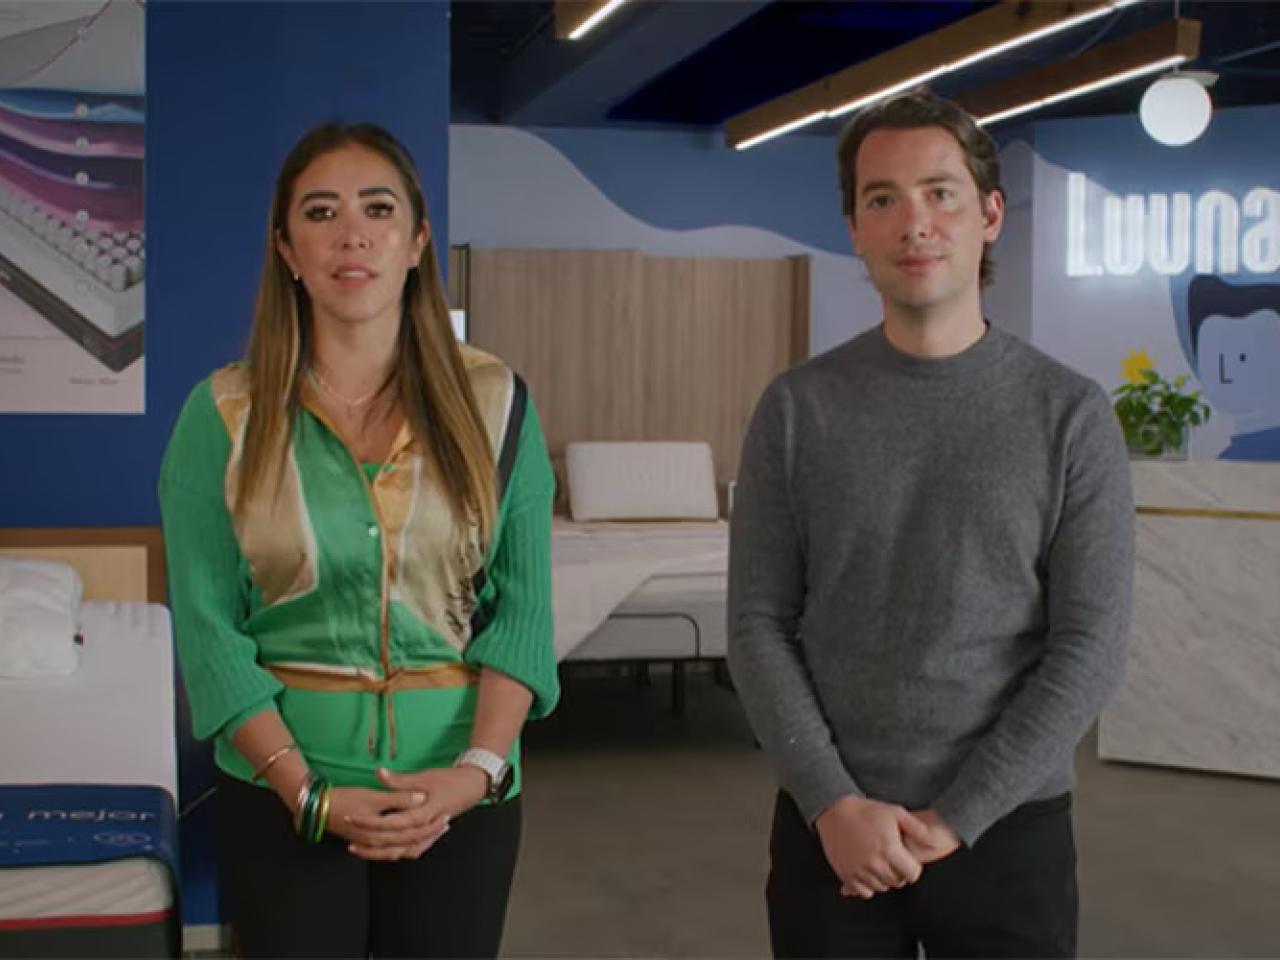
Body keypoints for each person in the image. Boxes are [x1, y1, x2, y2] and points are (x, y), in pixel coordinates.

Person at [727, 91, 1134, 959]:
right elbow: (759, 623)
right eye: (883, 199)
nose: (915, 221)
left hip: (1007, 832)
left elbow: (1090, 644)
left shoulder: (1070, 414)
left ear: (989, 215)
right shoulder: (796, 410)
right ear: (855, 229)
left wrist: (959, 816)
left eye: (940, 192)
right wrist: (832, 803)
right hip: (830, 833)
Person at [159, 122, 557, 958]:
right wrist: (306, 795)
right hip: (283, 795)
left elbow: (523, 616)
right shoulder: (221, 416)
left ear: (416, 241)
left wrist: (471, 774)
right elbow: (208, 632)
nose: (352, 233)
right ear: (285, 247)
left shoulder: (500, 404)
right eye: (320, 211)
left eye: (379, 208)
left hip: (463, 795)